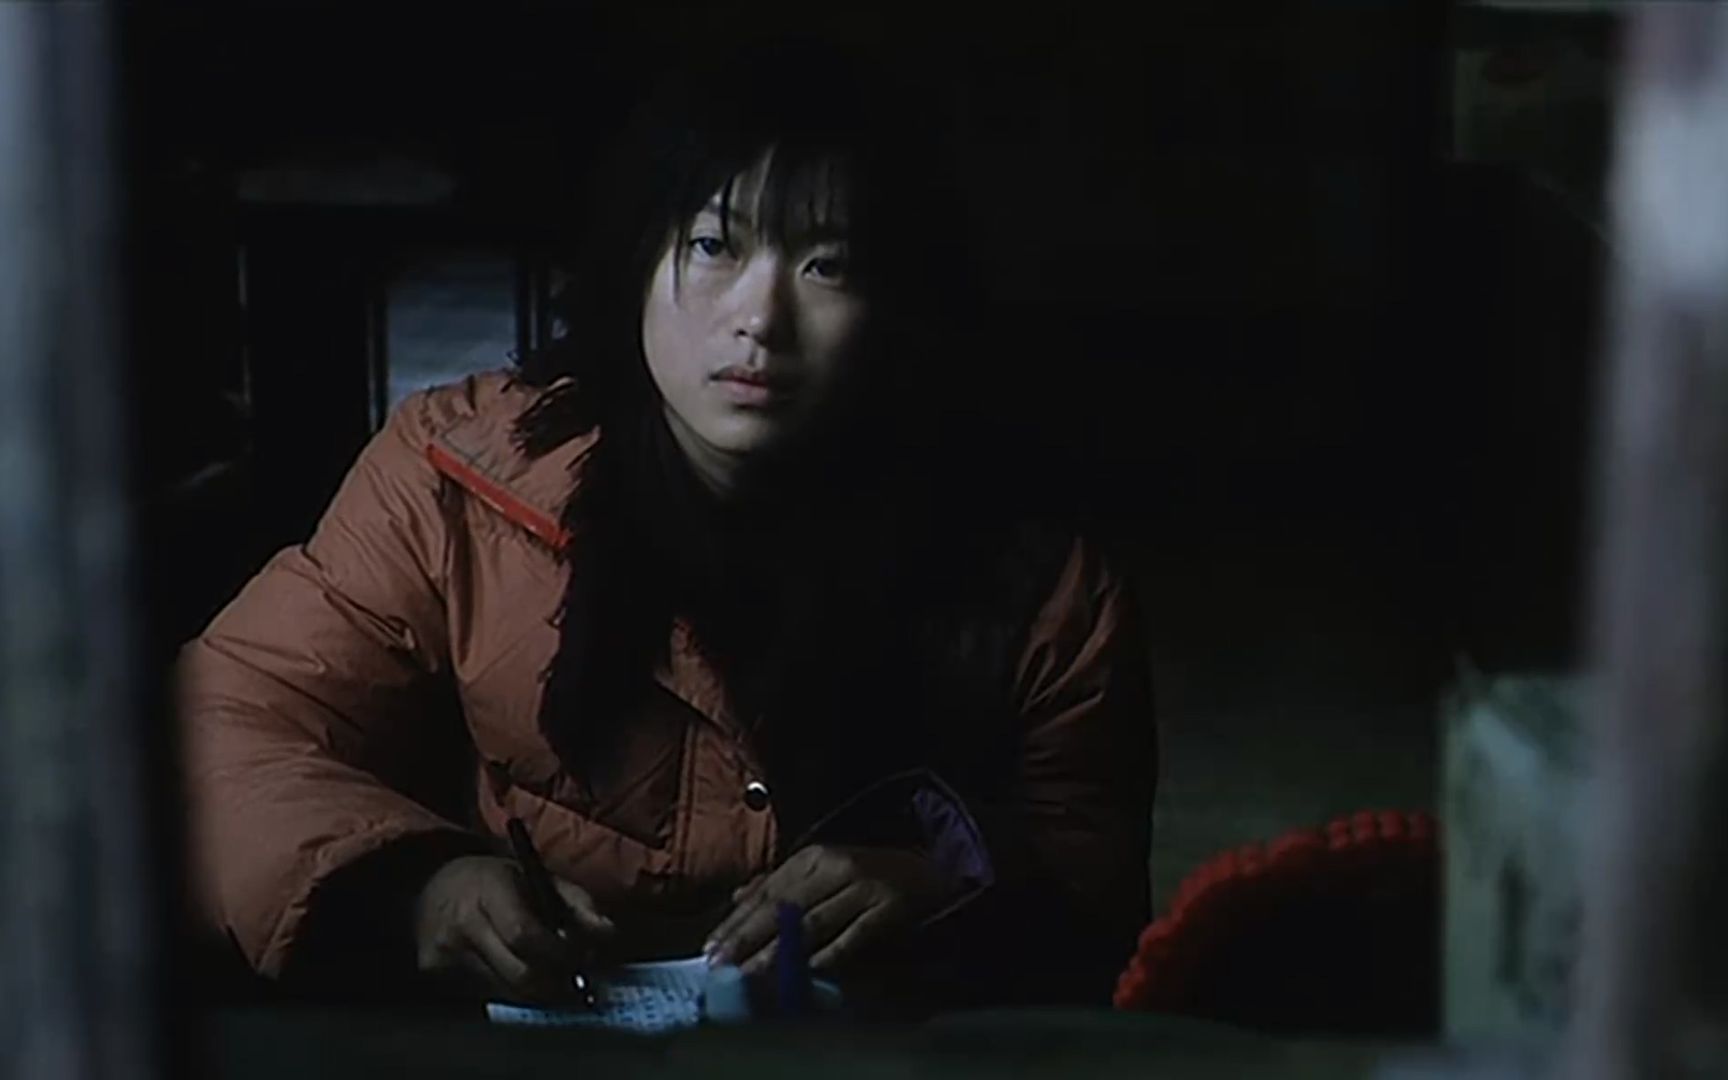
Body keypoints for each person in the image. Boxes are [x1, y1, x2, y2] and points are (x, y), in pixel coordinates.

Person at [180, 44, 1156, 1014]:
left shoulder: (1033, 573)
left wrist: (945, 878)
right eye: (714, 246)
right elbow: (225, 724)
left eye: (827, 264)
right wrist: (417, 884)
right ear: (638, 257)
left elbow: (1094, 873)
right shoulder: (457, 483)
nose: (759, 319)